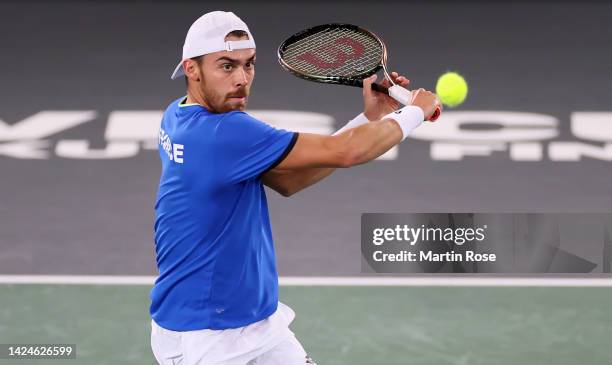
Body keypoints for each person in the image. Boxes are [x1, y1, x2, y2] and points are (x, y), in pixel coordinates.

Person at [150, 10, 440, 365]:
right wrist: (414, 113)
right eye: (227, 66)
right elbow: (347, 152)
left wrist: (370, 118)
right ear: (191, 69)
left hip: (251, 321)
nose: (242, 78)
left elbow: (288, 180)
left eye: (249, 64)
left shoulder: (176, 115)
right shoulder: (224, 133)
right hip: (208, 334)